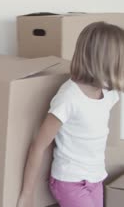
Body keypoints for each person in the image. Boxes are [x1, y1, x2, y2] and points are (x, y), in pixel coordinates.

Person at [17, 21, 124, 207]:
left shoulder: (108, 94)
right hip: (70, 181)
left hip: (96, 178)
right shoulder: (69, 98)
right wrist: (27, 195)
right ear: (105, 62)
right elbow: (38, 146)